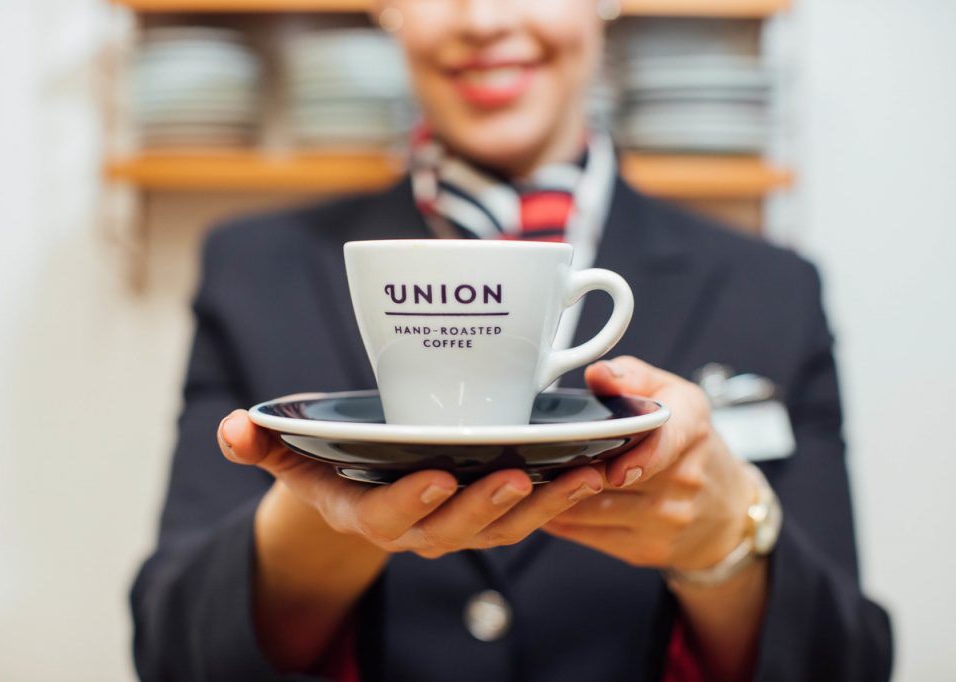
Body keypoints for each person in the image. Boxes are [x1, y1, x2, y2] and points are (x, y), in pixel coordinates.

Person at [130, 1, 893, 680]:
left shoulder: (771, 288)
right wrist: (320, 517)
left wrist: (728, 538)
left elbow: (851, 661)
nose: (484, 19)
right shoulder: (256, 271)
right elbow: (171, 651)